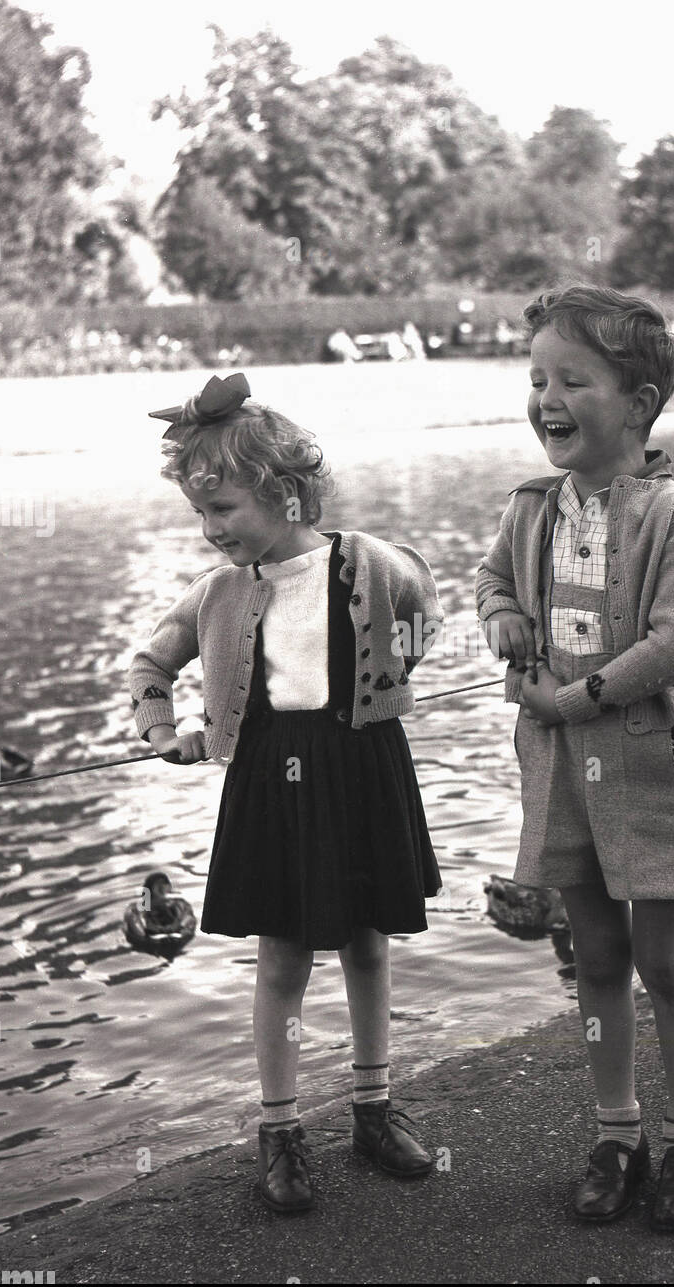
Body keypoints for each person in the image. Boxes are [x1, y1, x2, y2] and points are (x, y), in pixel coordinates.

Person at [129, 373, 444, 1213]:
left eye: (223, 510)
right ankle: (281, 1129)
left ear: (289, 493)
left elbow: (424, 612)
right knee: (282, 959)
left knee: (369, 943)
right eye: (200, 515)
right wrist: (164, 733)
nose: (210, 531)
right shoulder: (217, 594)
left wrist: (392, 674)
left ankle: (374, 1110)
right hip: (271, 778)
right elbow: (151, 664)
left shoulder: (371, 563)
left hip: (363, 762)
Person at [476, 284, 674, 1233]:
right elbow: (496, 581)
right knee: (594, 958)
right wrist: (502, 618)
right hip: (559, 768)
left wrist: (570, 698)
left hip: (652, 758)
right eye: (538, 378)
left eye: (572, 378)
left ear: (639, 402)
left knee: (665, 958)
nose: (546, 397)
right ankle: (617, 1134)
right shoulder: (533, 507)